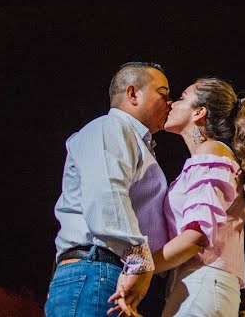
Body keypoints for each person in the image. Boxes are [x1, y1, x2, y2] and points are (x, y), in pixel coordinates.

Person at [112, 77, 245, 317]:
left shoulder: (211, 152)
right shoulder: (206, 158)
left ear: (199, 112)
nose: (171, 103)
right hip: (196, 285)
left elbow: (195, 237)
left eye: (181, 98)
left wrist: (140, 266)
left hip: (204, 282)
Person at [46, 62, 172, 317]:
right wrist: (140, 263)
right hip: (98, 271)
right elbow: (107, 196)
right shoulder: (109, 128)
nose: (170, 102)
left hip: (111, 274)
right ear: (132, 93)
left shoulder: (135, 142)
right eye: (163, 93)